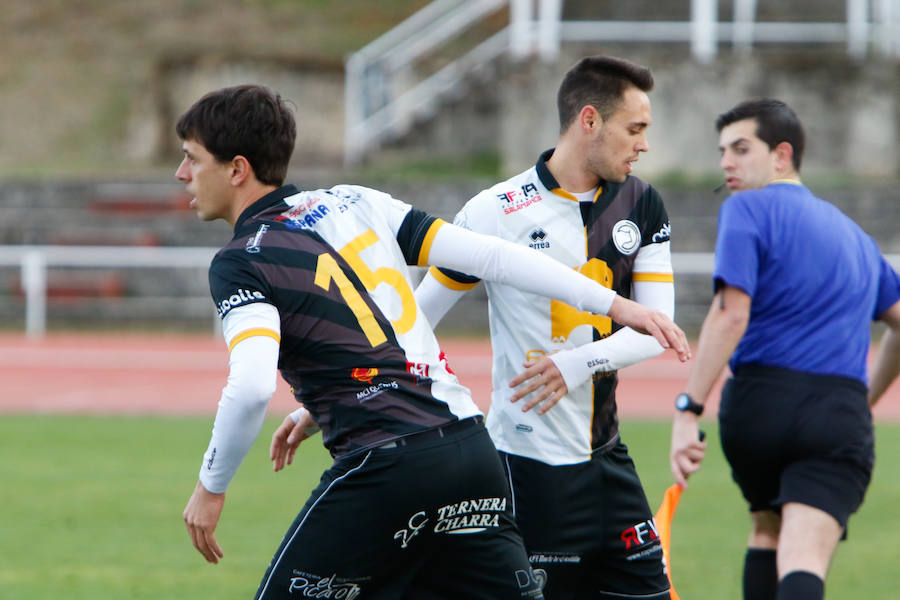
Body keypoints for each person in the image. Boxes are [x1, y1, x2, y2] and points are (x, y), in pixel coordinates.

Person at [175, 84, 690, 600]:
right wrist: (616, 305)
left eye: (192, 159)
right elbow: (494, 257)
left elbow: (250, 385)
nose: (182, 174)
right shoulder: (356, 200)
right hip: (471, 453)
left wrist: (210, 488)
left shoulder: (240, 260)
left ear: (237, 168)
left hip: (387, 467)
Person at [414, 55, 678, 599]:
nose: (643, 144)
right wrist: (337, 393)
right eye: (635, 129)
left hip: (609, 461)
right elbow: (416, 321)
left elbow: (659, 326)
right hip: (529, 471)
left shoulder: (643, 203)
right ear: (589, 121)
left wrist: (575, 364)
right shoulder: (495, 211)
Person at [668, 98, 900, 600]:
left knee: (766, 532)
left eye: (741, 148)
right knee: (804, 558)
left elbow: (731, 312)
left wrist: (689, 407)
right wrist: (865, 401)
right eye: (722, 151)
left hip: (756, 409)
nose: (726, 162)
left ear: (782, 154)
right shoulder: (857, 239)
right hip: (834, 411)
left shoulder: (747, 210)